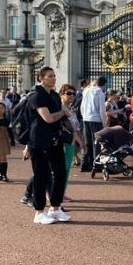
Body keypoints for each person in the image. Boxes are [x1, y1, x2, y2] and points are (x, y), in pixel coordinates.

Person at [27, 67, 72, 225]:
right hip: (39, 140)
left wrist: (62, 113)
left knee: (60, 173)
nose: (53, 79)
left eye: (54, 76)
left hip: (54, 139)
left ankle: (55, 207)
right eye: (49, 76)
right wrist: (63, 112)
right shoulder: (37, 96)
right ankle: (39, 212)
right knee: (41, 175)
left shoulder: (53, 95)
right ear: (41, 78)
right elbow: (48, 118)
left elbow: (58, 116)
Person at [57, 84, 85, 201]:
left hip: (71, 142)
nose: (71, 96)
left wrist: (80, 141)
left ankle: (61, 192)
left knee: (66, 169)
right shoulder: (59, 108)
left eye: (73, 94)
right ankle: (54, 192)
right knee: (59, 169)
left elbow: (75, 127)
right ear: (62, 94)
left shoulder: (71, 109)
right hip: (62, 141)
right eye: (68, 93)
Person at [79, 76, 108, 172]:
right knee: (97, 143)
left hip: (86, 118)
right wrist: (104, 123)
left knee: (87, 142)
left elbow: (82, 106)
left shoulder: (86, 90)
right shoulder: (100, 93)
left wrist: (84, 116)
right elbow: (102, 110)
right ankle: (96, 164)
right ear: (103, 84)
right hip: (96, 120)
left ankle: (85, 163)